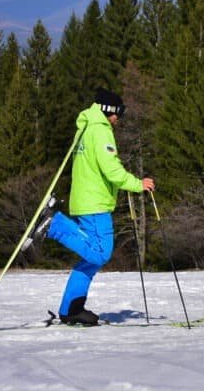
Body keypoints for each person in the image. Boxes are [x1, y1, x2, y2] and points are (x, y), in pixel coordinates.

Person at [30, 89, 155, 326]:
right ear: (108, 110)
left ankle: (71, 309)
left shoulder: (87, 127)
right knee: (101, 253)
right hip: (95, 202)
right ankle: (54, 225)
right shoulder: (100, 130)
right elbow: (111, 169)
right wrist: (138, 184)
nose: (119, 118)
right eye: (119, 112)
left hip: (86, 199)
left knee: (92, 260)